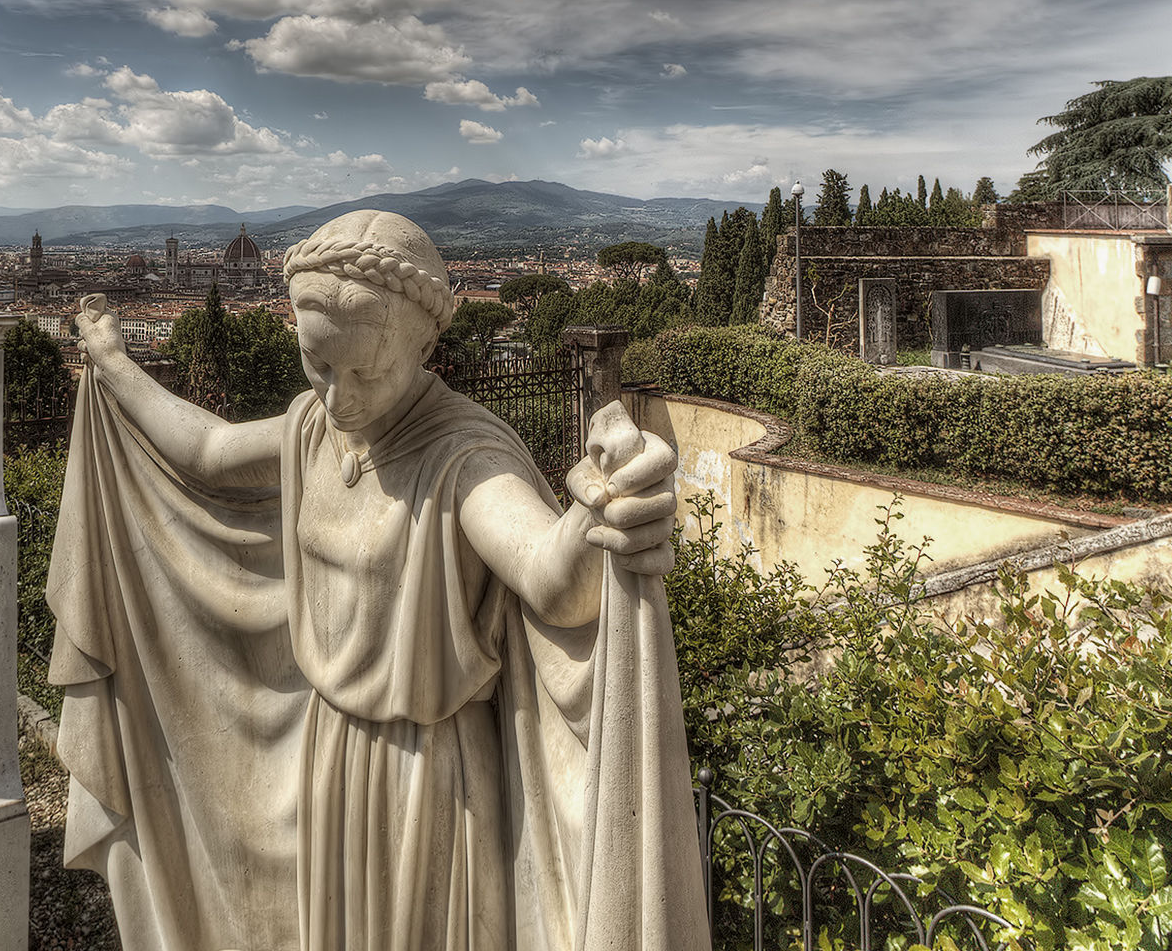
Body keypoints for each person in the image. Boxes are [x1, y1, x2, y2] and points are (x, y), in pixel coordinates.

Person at [48, 210, 705, 951]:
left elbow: (549, 578)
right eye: (319, 364)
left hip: (427, 789)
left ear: (424, 348)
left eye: (366, 372)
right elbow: (208, 450)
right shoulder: (314, 430)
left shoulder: (463, 458)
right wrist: (114, 362)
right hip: (328, 755)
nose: (339, 397)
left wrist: (603, 511)